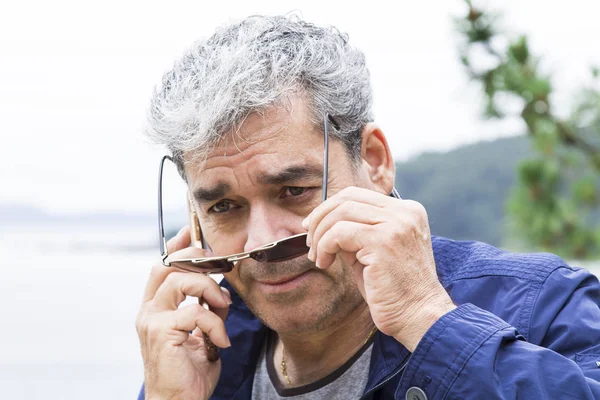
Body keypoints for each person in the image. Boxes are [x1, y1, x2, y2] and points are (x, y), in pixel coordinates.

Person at [135, 15, 600, 400]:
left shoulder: (546, 307)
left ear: (374, 162)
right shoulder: (197, 354)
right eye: (223, 206)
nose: (261, 242)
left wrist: (429, 321)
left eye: (294, 189)